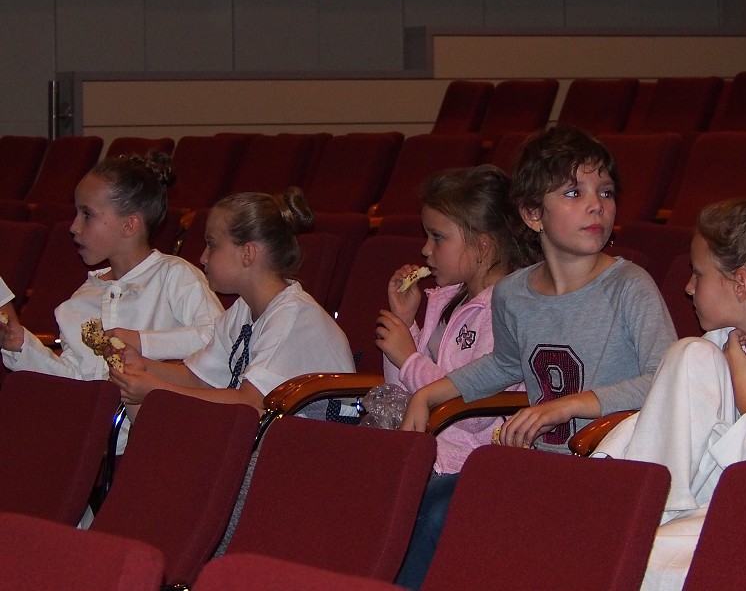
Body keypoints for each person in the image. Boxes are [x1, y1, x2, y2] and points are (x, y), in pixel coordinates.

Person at [396, 125, 677, 589]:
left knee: (447, 511)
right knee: (421, 499)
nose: (596, 205)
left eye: (604, 192)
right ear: (532, 214)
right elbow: (503, 364)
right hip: (542, 466)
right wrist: (430, 393)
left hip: (608, 469)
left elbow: (665, 380)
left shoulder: (630, 287)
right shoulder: (513, 293)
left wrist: (571, 404)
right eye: (573, 191)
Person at [594, 182, 746, 590]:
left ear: (742, 284)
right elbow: (652, 424)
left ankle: (641, 523)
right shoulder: (714, 344)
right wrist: (602, 477)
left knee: (632, 558)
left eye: (698, 273)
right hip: (689, 512)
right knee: (689, 353)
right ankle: (639, 509)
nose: (688, 287)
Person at [0, 151, 223, 445]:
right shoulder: (84, 297)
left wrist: (140, 341)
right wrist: (23, 347)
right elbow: (76, 381)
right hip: (92, 444)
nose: (74, 226)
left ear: (129, 225)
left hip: (160, 441)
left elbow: (218, 340)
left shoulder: (174, 276)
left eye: (87, 215)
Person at [109, 188, 355, 415]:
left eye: (211, 245)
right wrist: (143, 365)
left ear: (247, 253)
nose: (203, 257)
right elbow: (200, 378)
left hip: (312, 452)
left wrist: (155, 389)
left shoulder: (294, 317)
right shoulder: (244, 309)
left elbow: (250, 404)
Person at [376, 164, 532, 475]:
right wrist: (406, 322)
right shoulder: (445, 298)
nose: (425, 249)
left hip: (466, 464)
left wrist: (408, 358)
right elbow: (398, 393)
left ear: (482, 245)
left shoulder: (508, 310)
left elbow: (472, 413)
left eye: (437, 237)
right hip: (424, 451)